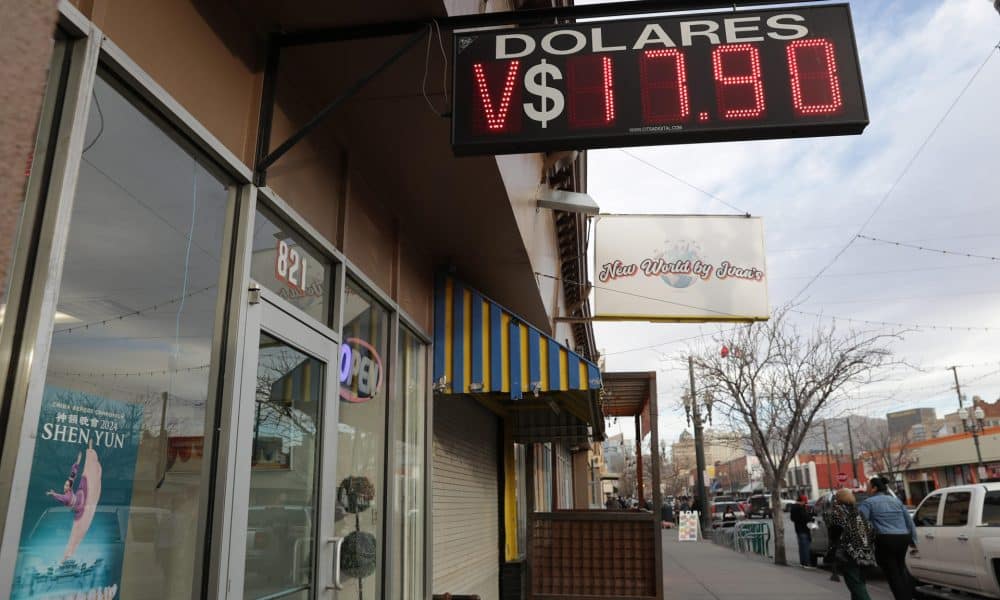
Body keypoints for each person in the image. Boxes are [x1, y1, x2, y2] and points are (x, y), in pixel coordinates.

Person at [859, 477, 918, 600]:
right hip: (903, 538)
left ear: (874, 488)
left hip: (885, 539)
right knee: (900, 568)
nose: (867, 489)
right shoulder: (896, 501)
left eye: (869, 486)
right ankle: (908, 596)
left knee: (892, 572)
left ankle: (902, 597)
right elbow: (909, 521)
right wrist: (913, 540)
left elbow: (860, 524)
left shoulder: (868, 503)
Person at [829, 489, 877, 600]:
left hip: (850, 552)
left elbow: (835, 532)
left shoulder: (838, 512)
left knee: (855, 584)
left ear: (838, 499)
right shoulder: (858, 512)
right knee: (860, 582)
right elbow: (870, 529)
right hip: (865, 551)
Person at [789, 494, 814, 568]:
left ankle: (802, 562)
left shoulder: (793, 507)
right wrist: (811, 518)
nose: (805, 503)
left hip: (798, 529)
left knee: (801, 547)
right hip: (804, 529)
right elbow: (805, 517)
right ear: (802, 501)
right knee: (806, 547)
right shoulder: (800, 508)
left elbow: (792, 519)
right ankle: (806, 563)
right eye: (805, 502)